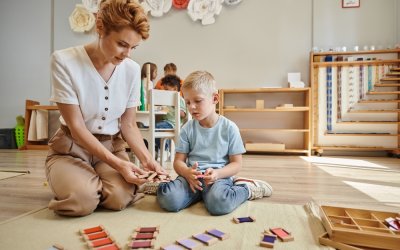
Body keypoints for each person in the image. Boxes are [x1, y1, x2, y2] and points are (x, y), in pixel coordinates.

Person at [46, 0, 164, 217]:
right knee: (82, 201)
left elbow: (128, 125)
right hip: (72, 148)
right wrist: (119, 166)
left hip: (111, 147)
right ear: (100, 28)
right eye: (122, 44)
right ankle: (77, 182)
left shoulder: (131, 69)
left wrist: (148, 160)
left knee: (118, 199)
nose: (127, 54)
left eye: (133, 47)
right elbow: (77, 127)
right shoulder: (64, 61)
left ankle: (91, 183)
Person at [156, 71, 273, 216]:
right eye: (187, 102)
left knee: (219, 204)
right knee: (167, 199)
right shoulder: (187, 129)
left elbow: (237, 164)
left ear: (215, 98)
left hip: (219, 177)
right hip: (192, 178)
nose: (191, 107)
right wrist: (186, 172)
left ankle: (247, 189)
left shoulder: (229, 128)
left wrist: (218, 174)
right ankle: (163, 186)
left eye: (197, 101)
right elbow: (178, 162)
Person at [154, 74, 187, 158]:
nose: (164, 91)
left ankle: (165, 149)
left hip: (173, 123)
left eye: (166, 89)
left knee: (157, 128)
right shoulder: (166, 100)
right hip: (165, 122)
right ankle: (158, 150)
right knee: (153, 127)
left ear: (175, 89)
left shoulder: (179, 99)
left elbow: (183, 114)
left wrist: (175, 106)